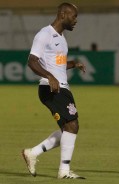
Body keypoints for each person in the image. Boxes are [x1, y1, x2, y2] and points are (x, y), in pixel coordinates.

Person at [22, 3, 86, 179]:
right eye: (74, 17)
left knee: (69, 130)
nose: (76, 21)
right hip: (49, 87)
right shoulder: (44, 34)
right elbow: (32, 61)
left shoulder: (61, 38)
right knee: (72, 125)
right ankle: (64, 171)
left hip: (60, 86)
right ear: (63, 14)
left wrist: (73, 64)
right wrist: (49, 77)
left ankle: (32, 153)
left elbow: (57, 64)